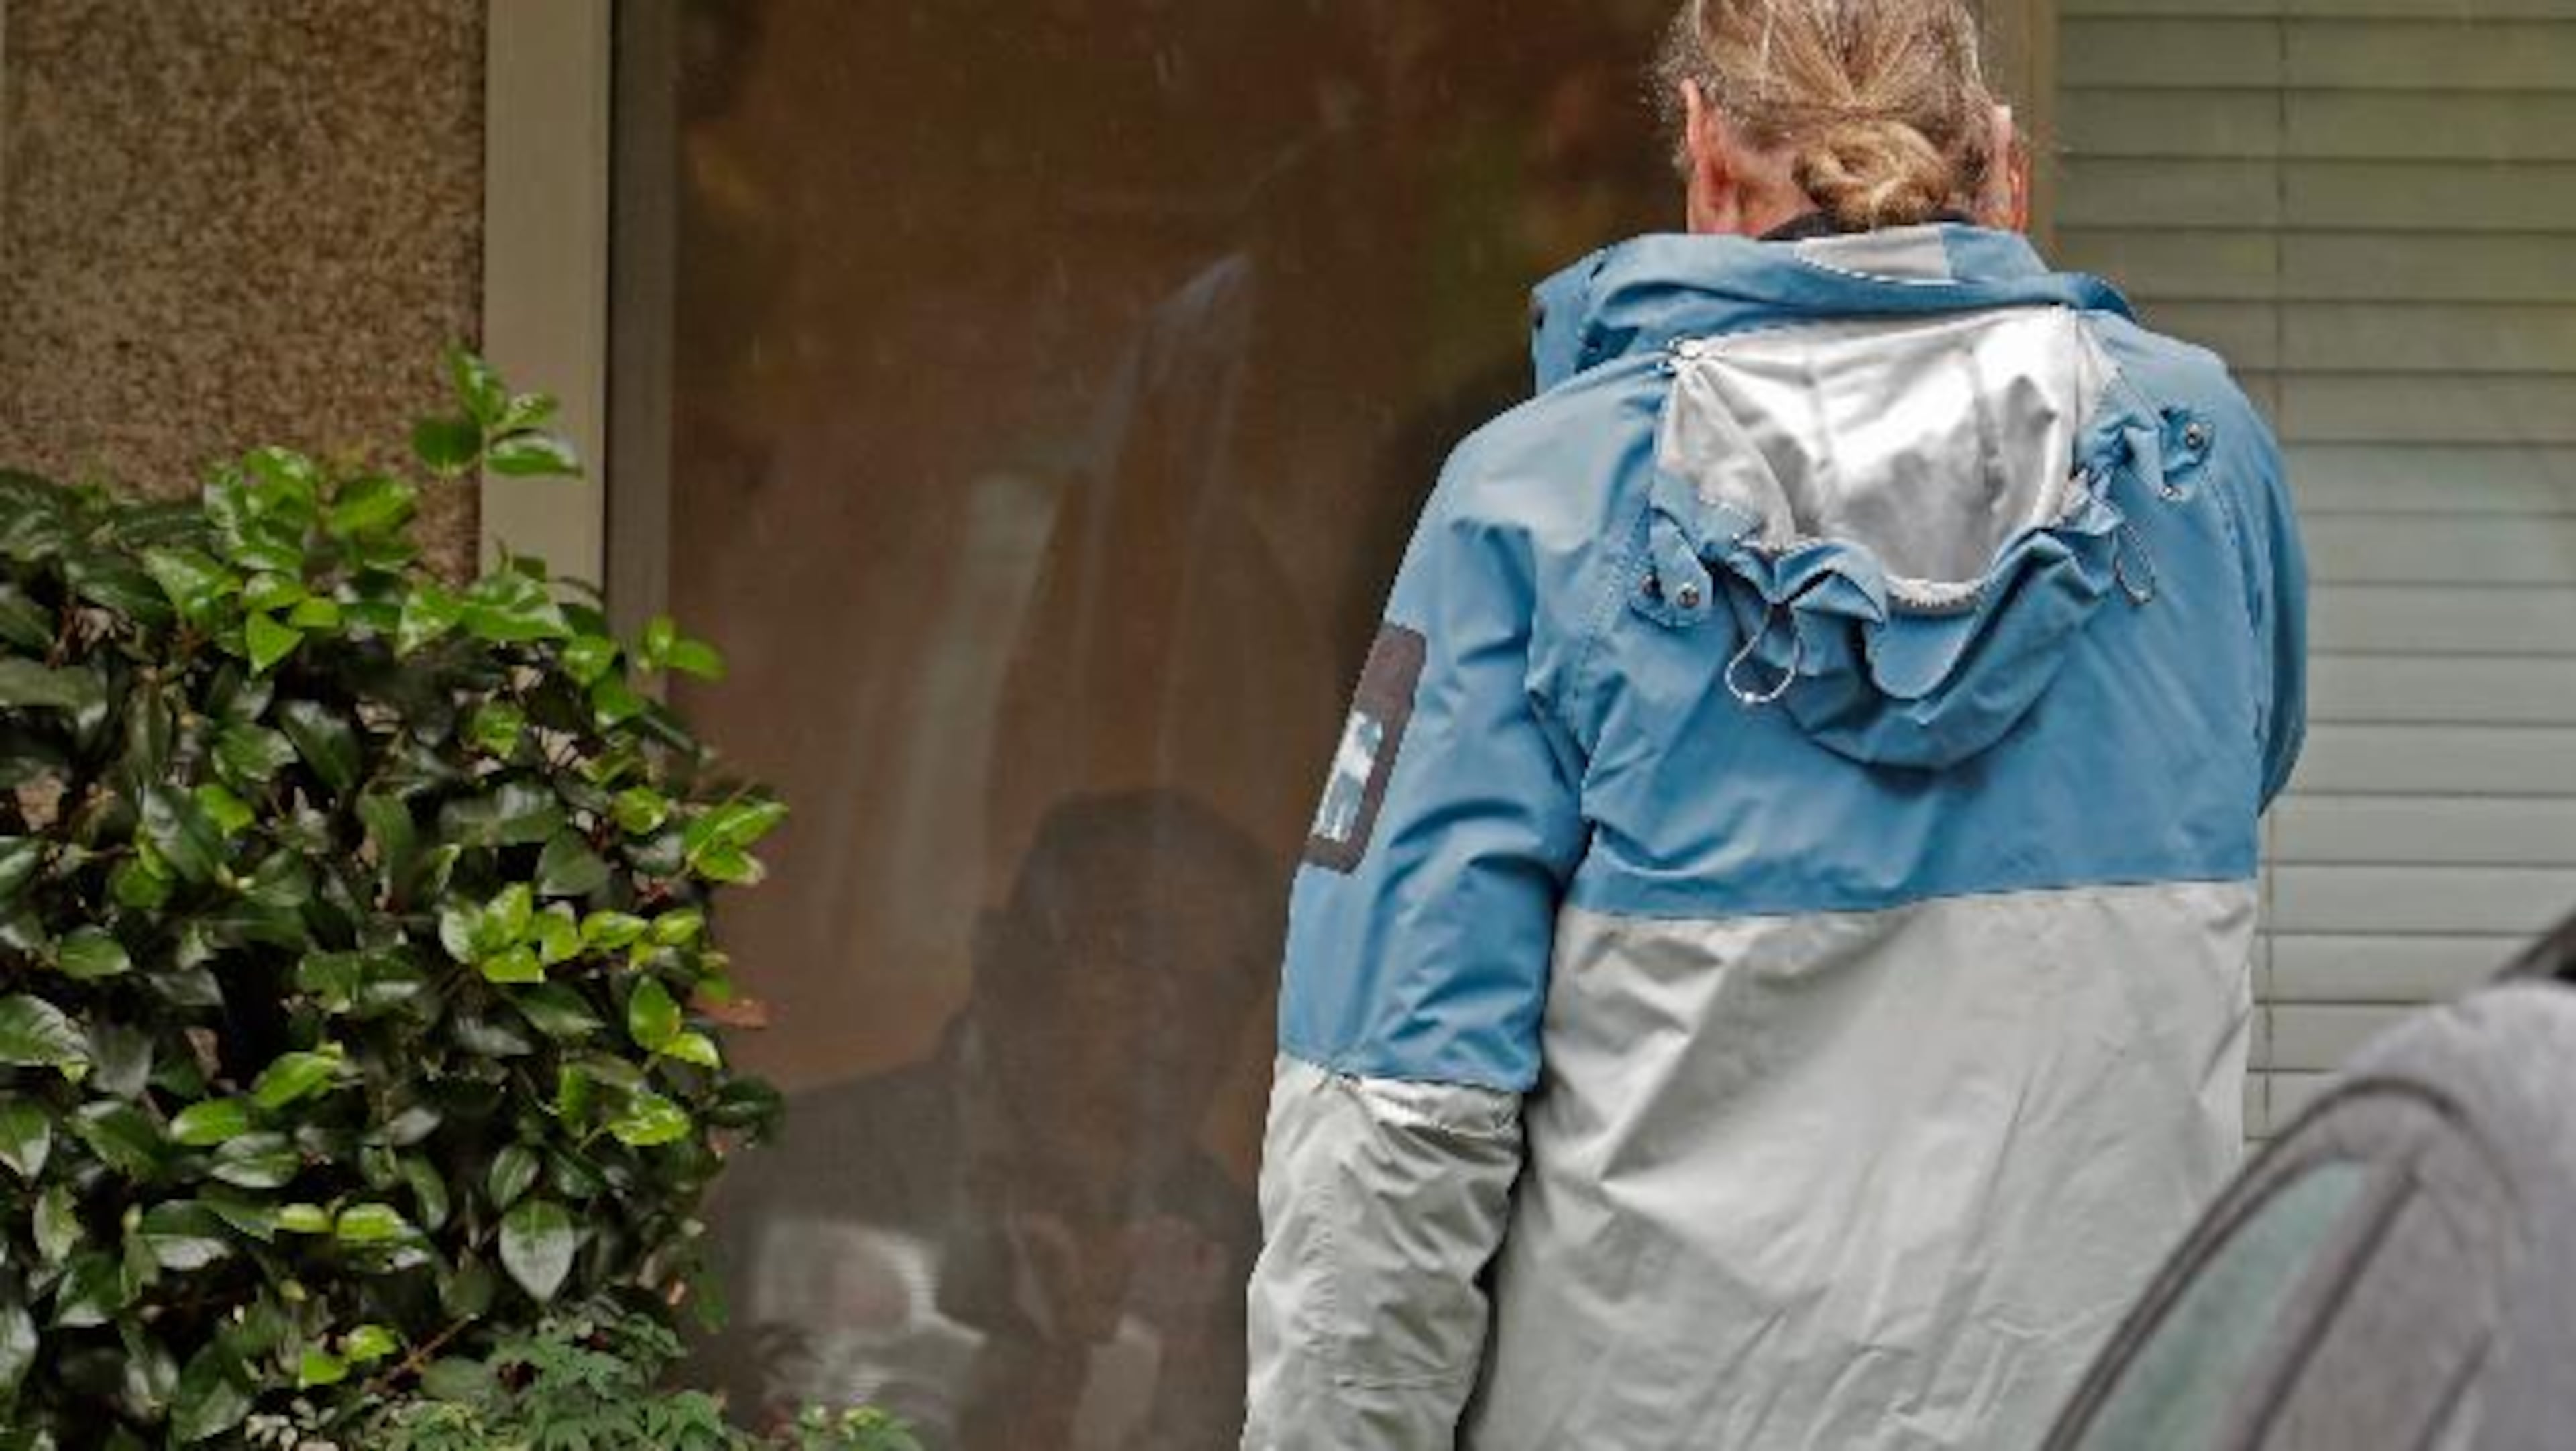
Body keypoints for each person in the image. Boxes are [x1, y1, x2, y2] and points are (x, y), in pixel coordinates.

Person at [1240, 0, 2308, 1447]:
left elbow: (1399, 1117)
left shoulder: (1538, 502)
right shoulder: (2198, 469)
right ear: (2000, 163)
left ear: (1703, 150)